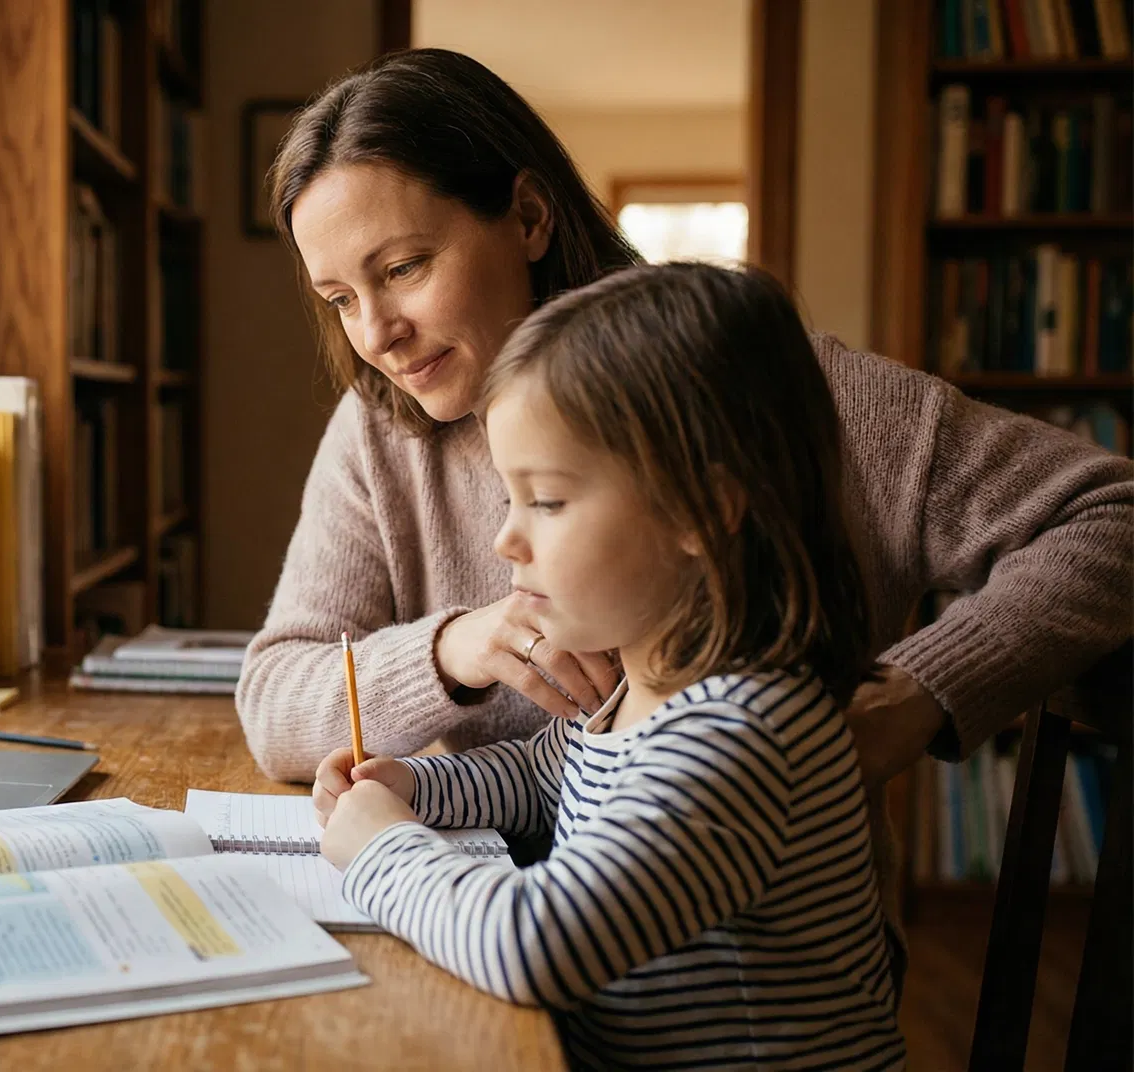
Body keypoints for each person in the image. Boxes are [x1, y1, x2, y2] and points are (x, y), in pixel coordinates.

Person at [239, 48, 1133, 810]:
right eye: (339, 299)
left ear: (529, 217)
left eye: (403, 267)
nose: (375, 334)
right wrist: (454, 649)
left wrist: (920, 694)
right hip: (471, 931)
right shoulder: (380, 431)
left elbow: (1112, 514)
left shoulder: (780, 391)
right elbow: (275, 700)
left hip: (730, 988)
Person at [314, 262, 903, 1067]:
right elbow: (539, 776)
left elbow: (537, 946)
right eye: (509, 499)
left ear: (703, 510)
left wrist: (384, 848)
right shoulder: (649, 688)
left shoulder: (740, 734)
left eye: (546, 501)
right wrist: (412, 788)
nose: (505, 540)